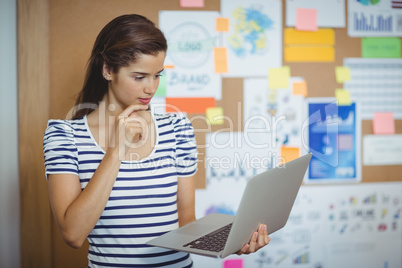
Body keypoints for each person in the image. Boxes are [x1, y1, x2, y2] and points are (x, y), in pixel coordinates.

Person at [43, 14, 270, 267]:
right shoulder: (64, 135)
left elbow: (186, 222)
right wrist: (117, 150)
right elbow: (73, 235)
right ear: (108, 70)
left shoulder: (177, 128)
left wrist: (233, 241)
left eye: (157, 75)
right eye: (139, 77)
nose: (151, 88)